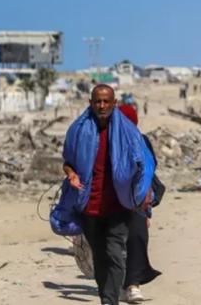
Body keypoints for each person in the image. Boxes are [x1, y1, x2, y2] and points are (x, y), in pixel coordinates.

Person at [62, 85, 153, 305]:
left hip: (119, 206)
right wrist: (71, 174)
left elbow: (145, 165)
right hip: (89, 206)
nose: (101, 106)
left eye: (106, 101)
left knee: (114, 254)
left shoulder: (128, 132)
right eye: (97, 101)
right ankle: (107, 297)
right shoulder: (78, 131)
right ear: (90, 103)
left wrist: (144, 195)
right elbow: (67, 162)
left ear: (114, 103)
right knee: (100, 257)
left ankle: (110, 301)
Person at [117, 104, 162, 303]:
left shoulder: (142, 142)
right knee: (112, 244)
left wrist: (148, 210)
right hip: (112, 200)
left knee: (137, 238)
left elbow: (148, 174)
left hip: (137, 202)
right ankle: (117, 283)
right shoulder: (106, 142)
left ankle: (133, 285)